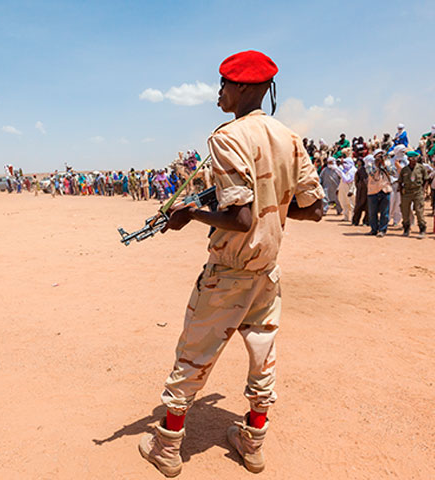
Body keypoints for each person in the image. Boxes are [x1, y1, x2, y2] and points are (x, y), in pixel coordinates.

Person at [138, 50, 325, 477]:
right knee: (264, 359)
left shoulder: (227, 138)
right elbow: (313, 209)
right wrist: (272, 209)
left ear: (242, 87)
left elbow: (239, 219)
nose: (218, 93)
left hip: (229, 273)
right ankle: (252, 443)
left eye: (223, 84)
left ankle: (167, 447)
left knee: (192, 357)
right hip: (267, 273)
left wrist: (189, 215)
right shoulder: (290, 138)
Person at [397, 150, 429, 238]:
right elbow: (400, 181)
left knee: (419, 211)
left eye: (415, 158)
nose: (414, 160)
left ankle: (422, 229)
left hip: (417, 191)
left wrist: (424, 189)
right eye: (412, 159)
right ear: (408, 159)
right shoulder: (404, 170)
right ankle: (406, 228)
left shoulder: (421, 168)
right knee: (405, 211)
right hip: (406, 192)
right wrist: (401, 190)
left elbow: (426, 179)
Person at [366, 150, 396, 237]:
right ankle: (374, 229)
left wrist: (384, 165)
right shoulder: (369, 164)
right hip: (373, 190)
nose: (381, 157)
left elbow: (393, 173)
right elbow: (370, 173)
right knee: (372, 212)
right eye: (379, 156)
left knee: (385, 212)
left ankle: (382, 230)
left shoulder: (387, 163)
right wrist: (376, 164)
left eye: (382, 155)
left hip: (385, 189)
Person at [337, 156, 357, 222]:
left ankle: (354, 217)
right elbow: (342, 180)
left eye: (346, 163)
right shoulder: (344, 170)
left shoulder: (353, 170)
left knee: (352, 203)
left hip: (350, 188)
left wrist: (341, 172)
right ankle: (346, 216)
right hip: (343, 188)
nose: (344, 164)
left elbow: (348, 179)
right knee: (344, 202)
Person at [352, 158, 369, 225]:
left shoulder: (373, 169)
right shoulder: (360, 170)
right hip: (361, 191)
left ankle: (367, 221)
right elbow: (356, 180)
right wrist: (360, 187)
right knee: (359, 206)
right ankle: (355, 221)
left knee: (368, 207)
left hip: (370, 191)